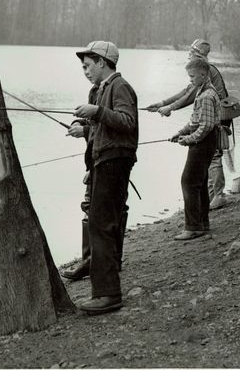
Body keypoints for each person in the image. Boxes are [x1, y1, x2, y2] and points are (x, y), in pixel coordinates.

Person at [68, 41, 138, 315]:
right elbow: (104, 126)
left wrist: (96, 112)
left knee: (101, 225)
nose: (85, 71)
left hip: (115, 161)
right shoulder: (101, 89)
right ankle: (105, 290)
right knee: (99, 223)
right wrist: (83, 125)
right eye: (82, 67)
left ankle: (108, 294)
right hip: (103, 161)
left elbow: (127, 122)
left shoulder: (119, 86)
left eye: (88, 65)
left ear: (102, 62)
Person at [145, 39, 235, 210]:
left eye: (191, 51)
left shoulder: (205, 70)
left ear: (198, 54)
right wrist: (162, 103)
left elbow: (189, 96)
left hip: (219, 117)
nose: (189, 54)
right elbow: (187, 90)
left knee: (214, 155)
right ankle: (212, 195)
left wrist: (169, 108)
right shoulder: (200, 71)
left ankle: (218, 196)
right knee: (210, 157)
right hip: (215, 114)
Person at [168, 56, 221, 240]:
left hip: (204, 143)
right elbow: (195, 121)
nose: (190, 80)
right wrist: (180, 133)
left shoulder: (206, 96)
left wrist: (188, 139)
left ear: (203, 75)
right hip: (204, 141)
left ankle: (193, 227)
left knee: (188, 182)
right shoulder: (202, 91)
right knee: (199, 182)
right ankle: (202, 224)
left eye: (192, 76)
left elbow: (206, 126)